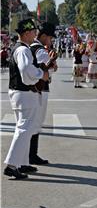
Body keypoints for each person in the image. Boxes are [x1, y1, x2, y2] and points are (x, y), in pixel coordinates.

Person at [3, 19, 49, 179]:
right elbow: (25, 69)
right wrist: (40, 75)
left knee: (24, 128)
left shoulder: (21, 48)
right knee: (24, 129)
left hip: (20, 93)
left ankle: (21, 163)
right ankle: (12, 164)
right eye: (34, 32)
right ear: (27, 33)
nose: (36, 35)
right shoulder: (23, 50)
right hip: (25, 93)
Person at [29, 22, 58, 166]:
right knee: (37, 121)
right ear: (44, 36)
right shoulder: (40, 50)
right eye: (50, 38)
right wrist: (53, 63)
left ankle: (30, 154)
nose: (51, 41)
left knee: (34, 122)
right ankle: (31, 155)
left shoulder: (31, 47)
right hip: (41, 88)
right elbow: (48, 69)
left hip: (32, 89)